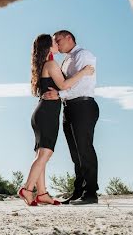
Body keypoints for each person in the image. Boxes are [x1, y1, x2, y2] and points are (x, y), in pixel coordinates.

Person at [18, 34, 95, 206]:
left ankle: (43, 193)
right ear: (47, 46)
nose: (57, 44)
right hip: (46, 114)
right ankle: (27, 189)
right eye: (54, 42)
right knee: (46, 153)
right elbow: (65, 85)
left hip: (42, 113)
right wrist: (84, 72)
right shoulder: (51, 64)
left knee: (41, 155)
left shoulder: (45, 64)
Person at [42, 30, 99, 205]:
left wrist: (59, 94)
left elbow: (82, 83)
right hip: (70, 107)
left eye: (58, 40)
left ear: (69, 38)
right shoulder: (66, 60)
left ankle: (91, 193)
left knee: (84, 149)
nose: (57, 45)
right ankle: (78, 192)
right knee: (75, 153)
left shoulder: (83, 55)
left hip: (83, 105)